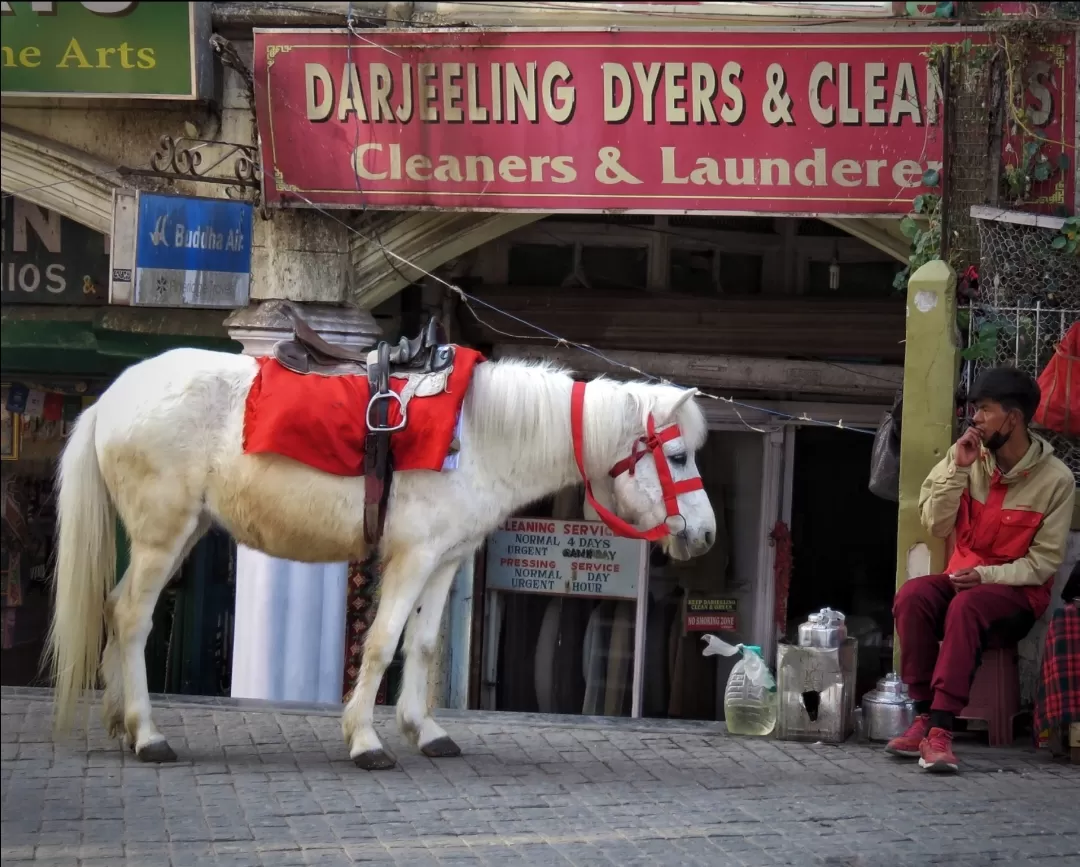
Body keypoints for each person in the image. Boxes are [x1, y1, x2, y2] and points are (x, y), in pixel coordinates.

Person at [887, 366, 1076, 772]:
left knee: (967, 606)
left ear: (1014, 418)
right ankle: (922, 714)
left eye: (984, 410)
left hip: (1017, 599)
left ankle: (941, 730)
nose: (974, 418)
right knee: (913, 595)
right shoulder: (966, 458)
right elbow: (936, 524)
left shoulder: (1056, 481)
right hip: (962, 584)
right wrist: (956, 469)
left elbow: (1042, 564)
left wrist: (987, 577)